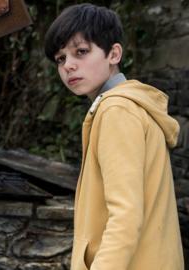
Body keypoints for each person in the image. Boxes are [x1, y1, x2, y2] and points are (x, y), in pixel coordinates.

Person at [44, 3, 184, 270]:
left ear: (114, 54)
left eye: (81, 52)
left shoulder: (116, 110)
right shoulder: (132, 106)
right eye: (61, 58)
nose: (68, 66)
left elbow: (125, 217)